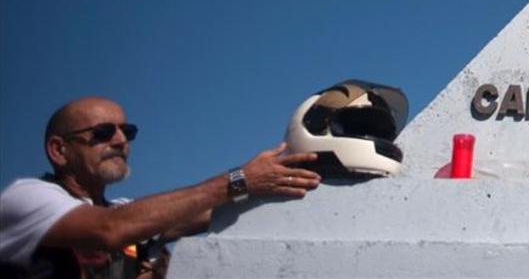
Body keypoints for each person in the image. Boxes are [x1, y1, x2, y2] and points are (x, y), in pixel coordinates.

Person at [0, 96, 320, 278]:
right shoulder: (26, 199)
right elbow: (111, 229)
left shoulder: (127, 214)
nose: (120, 140)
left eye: (127, 131)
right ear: (58, 150)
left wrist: (301, 169)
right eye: (102, 132)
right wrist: (239, 179)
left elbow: (212, 210)